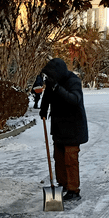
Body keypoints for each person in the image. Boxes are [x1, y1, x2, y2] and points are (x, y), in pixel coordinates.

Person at [39, 58, 88, 201]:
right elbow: (47, 96)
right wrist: (43, 109)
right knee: (59, 158)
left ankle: (74, 190)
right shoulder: (52, 82)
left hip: (73, 128)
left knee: (70, 160)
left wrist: (57, 88)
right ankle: (63, 184)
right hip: (59, 127)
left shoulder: (73, 81)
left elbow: (74, 99)